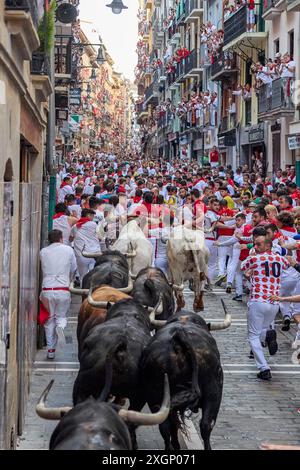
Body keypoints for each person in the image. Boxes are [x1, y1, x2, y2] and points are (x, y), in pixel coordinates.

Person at [241, 236, 290, 379]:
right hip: (274, 303)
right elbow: (287, 263)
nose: (255, 247)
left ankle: (263, 367)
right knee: (262, 327)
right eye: (255, 244)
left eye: (258, 244)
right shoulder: (280, 259)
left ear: (268, 245)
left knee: (253, 336)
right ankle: (268, 335)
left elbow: (243, 267)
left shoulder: (255, 258)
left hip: (258, 301)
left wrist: (251, 261)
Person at [40, 229, 77, 359]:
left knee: (49, 321)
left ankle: (51, 351)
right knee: (60, 316)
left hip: (47, 290)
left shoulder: (43, 252)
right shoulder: (68, 250)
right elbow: (74, 268)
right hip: (63, 289)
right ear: (61, 238)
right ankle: (61, 326)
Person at [70, 208, 101, 283]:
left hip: (81, 254)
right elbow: (100, 237)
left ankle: (83, 292)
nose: (93, 218)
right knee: (94, 276)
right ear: (88, 215)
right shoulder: (93, 224)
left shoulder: (75, 227)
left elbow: (71, 238)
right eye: (92, 216)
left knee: (83, 277)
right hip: (94, 254)